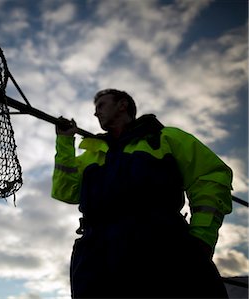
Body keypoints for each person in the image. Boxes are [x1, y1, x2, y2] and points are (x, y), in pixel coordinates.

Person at [52, 89, 233, 298]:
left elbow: (211, 177)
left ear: (122, 105)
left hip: (160, 246)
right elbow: (65, 191)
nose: (96, 113)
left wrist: (202, 237)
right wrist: (64, 142)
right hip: (95, 256)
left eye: (101, 105)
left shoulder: (166, 138)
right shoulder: (92, 153)